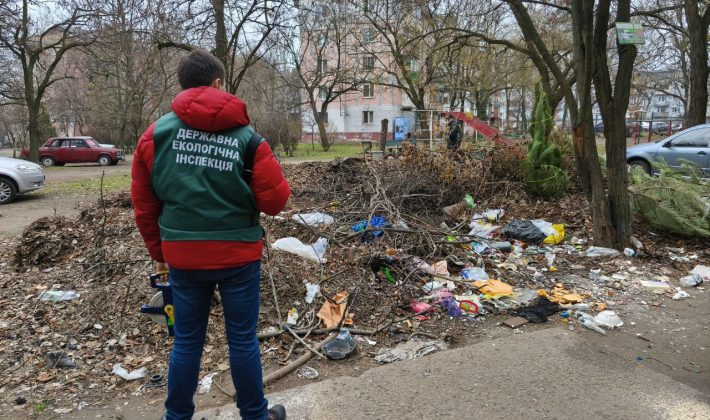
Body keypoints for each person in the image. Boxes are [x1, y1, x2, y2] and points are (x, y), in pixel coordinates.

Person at [131, 49, 291, 420]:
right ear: (218, 83)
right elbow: (277, 201)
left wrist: (160, 252)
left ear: (183, 86)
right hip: (238, 256)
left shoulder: (154, 137)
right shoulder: (248, 139)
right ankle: (255, 415)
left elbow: (144, 207)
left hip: (183, 257)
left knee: (187, 342)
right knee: (242, 339)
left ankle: (177, 417)